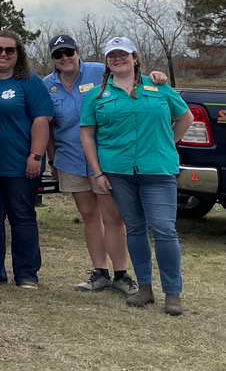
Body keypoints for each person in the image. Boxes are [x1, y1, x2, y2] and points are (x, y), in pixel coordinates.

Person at [81, 37, 193, 315]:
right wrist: (97, 173)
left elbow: (186, 118)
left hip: (158, 170)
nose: (117, 59)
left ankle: (172, 293)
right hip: (118, 173)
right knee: (134, 228)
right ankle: (144, 287)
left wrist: (168, 144)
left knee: (165, 230)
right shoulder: (96, 95)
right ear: (107, 61)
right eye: (112, 56)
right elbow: (87, 134)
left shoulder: (159, 87)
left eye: (123, 54)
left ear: (134, 57)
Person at [44, 35, 137, 294]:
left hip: (106, 159)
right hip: (70, 159)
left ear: (78, 51)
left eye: (68, 52)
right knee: (89, 217)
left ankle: (121, 274)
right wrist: (52, 160)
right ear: (52, 58)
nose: (64, 58)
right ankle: (100, 273)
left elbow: (131, 78)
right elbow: (49, 127)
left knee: (114, 217)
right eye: (58, 54)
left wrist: (158, 77)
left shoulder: (100, 71)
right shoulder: (47, 85)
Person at [0, 30, 53, 289]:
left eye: (9, 50)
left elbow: (42, 120)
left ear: (18, 54)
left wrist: (36, 156)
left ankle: (27, 273)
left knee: (22, 216)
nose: (3, 54)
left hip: (21, 164)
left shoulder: (29, 82)